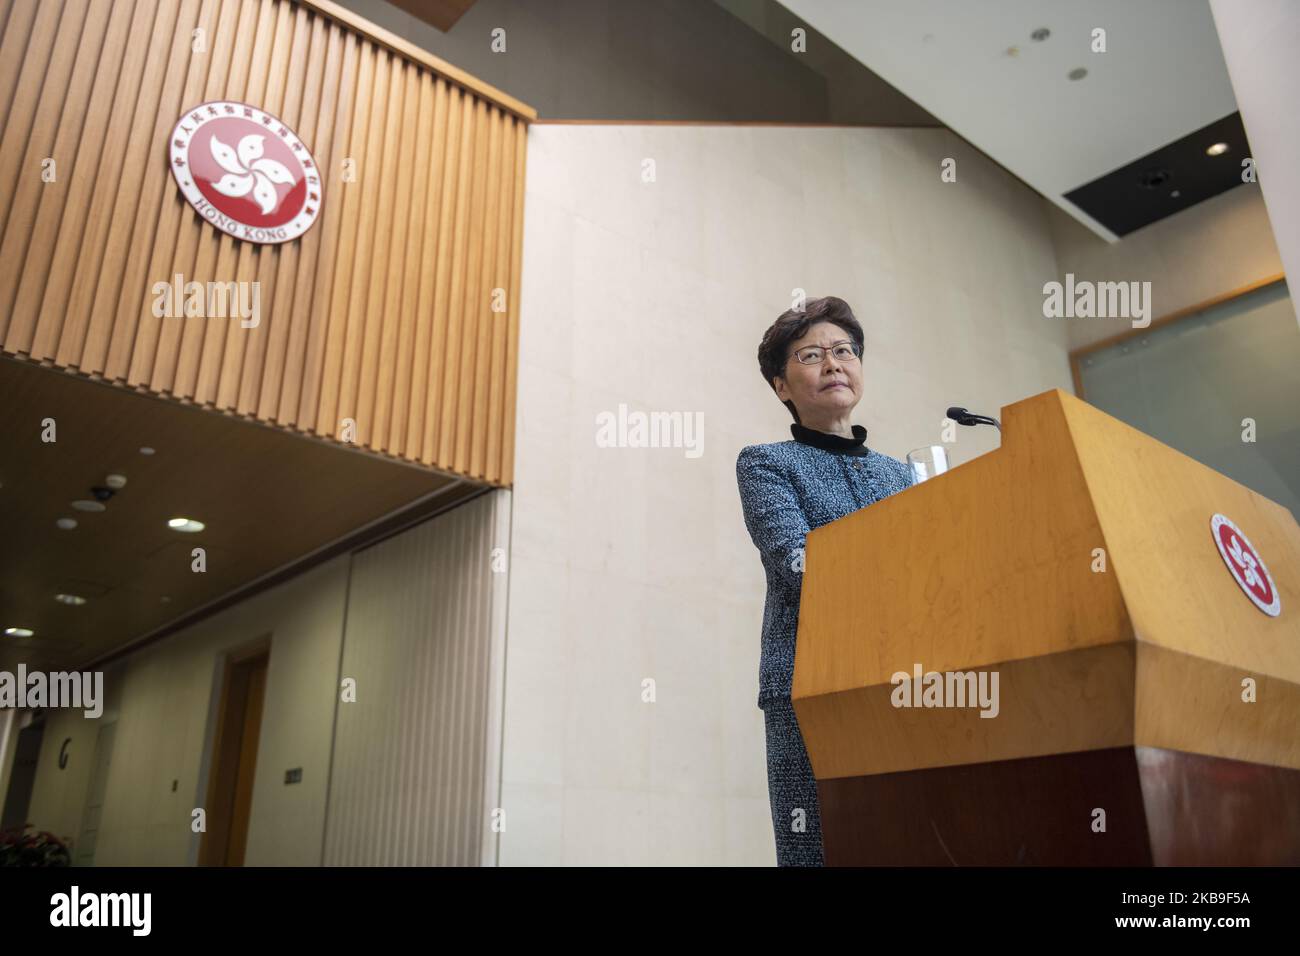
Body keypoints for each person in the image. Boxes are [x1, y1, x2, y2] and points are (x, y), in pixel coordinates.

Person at [735, 296, 913, 866]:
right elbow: (795, 563)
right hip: (810, 684)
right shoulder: (766, 463)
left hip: (906, 679)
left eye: (844, 351)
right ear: (782, 385)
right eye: (812, 355)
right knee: (820, 850)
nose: (834, 363)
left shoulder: (900, 474)